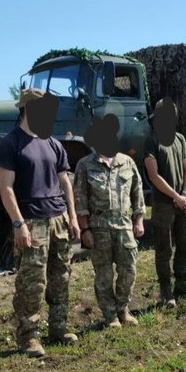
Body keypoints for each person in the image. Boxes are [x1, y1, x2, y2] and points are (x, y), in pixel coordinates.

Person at [0, 89, 80, 358]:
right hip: (32, 222)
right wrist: (19, 223)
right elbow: (5, 188)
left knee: (61, 277)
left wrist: (73, 216)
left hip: (59, 220)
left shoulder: (53, 143)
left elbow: (65, 181)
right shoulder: (10, 144)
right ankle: (28, 337)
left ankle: (58, 327)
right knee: (32, 283)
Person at [74, 114, 145, 328]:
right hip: (99, 228)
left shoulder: (127, 162)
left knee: (128, 270)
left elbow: (137, 191)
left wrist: (139, 219)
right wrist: (85, 229)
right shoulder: (85, 165)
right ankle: (110, 316)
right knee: (103, 275)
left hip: (124, 226)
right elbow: (80, 198)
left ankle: (123, 309)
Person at [144, 97, 186, 308]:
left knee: (185, 244)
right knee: (164, 249)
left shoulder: (180, 139)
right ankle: (166, 292)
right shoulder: (151, 140)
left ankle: (182, 285)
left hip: (183, 203)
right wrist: (175, 196)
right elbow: (154, 175)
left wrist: (184, 193)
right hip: (163, 204)